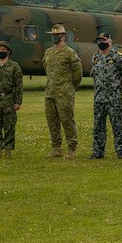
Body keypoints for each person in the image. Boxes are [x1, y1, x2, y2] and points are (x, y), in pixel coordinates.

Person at [42, 23, 82, 158]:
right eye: (53, 35)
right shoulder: (48, 52)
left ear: (63, 36)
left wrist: (69, 87)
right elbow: (47, 70)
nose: (55, 37)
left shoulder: (70, 53)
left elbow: (78, 73)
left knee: (67, 120)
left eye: (57, 35)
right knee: (52, 121)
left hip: (64, 93)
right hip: (50, 92)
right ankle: (56, 148)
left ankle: (71, 149)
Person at [89, 32, 122, 160]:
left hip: (114, 99)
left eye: (104, 40)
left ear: (110, 42)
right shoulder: (95, 57)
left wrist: (118, 90)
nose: (101, 42)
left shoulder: (118, 57)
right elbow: (93, 75)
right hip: (99, 98)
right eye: (99, 40)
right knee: (98, 126)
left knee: (117, 125)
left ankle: (121, 152)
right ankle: (97, 152)